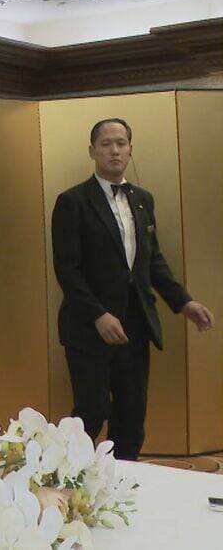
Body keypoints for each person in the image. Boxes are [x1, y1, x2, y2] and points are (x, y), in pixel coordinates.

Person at [52, 117, 213, 460]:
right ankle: (62, 475)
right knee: (91, 412)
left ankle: (123, 481)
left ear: (130, 150)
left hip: (135, 326)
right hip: (89, 328)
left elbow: (152, 261)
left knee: (131, 417)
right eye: (106, 144)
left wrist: (184, 302)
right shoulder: (72, 202)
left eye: (121, 143)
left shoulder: (142, 200)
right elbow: (67, 270)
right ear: (92, 151)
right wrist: (98, 315)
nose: (115, 150)